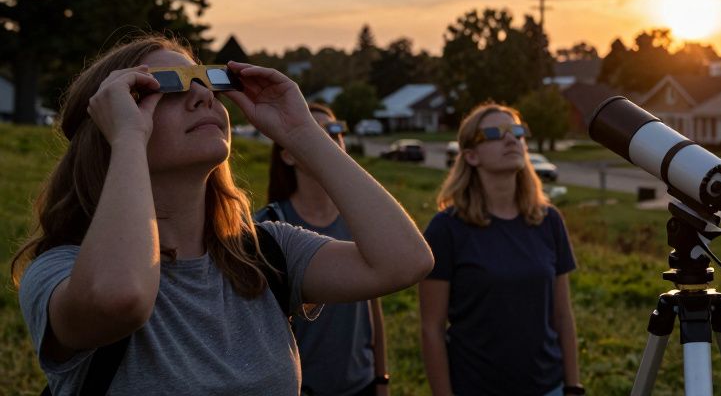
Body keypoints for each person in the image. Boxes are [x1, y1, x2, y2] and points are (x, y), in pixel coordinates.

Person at [11, 36, 434, 394]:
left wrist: (302, 132)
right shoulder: (59, 272)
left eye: (208, 81)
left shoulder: (267, 253)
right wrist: (127, 141)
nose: (201, 95)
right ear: (109, 121)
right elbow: (120, 298)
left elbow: (405, 261)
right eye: (167, 85)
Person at [418, 103, 583, 396]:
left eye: (518, 132)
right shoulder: (446, 229)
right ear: (470, 155)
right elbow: (432, 328)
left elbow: (562, 315)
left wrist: (573, 386)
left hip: (548, 387)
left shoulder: (548, 221)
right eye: (495, 133)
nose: (511, 139)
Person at [256, 102, 390, 396]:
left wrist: (382, 379)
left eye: (335, 130)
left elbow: (374, 308)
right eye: (315, 132)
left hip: (362, 384)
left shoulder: (361, 223)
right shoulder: (268, 226)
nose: (329, 139)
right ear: (287, 155)